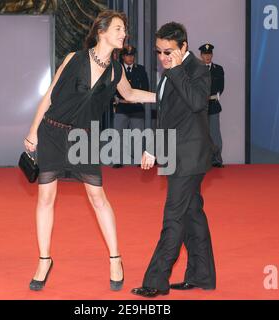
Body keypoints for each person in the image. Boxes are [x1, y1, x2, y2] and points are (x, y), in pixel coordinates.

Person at [24, 10, 155, 292]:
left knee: (98, 197)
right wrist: (33, 130)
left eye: (124, 30)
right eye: (119, 29)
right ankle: (44, 260)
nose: (124, 34)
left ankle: (115, 258)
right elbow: (49, 94)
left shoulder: (116, 70)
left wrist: (164, 95)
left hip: (84, 140)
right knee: (46, 197)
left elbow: (130, 95)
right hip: (53, 132)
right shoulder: (74, 59)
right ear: (102, 31)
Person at [132, 22, 216, 298]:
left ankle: (156, 281)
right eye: (158, 52)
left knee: (174, 217)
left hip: (190, 156)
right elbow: (168, 115)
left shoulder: (197, 69)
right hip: (176, 153)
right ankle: (202, 275)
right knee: (192, 216)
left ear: (184, 47)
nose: (162, 57)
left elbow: (196, 103)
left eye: (168, 51)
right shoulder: (170, 72)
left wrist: (176, 69)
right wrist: (154, 148)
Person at [112, 45, 149, 168]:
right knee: (118, 134)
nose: (130, 58)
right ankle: (117, 160)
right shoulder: (118, 70)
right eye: (128, 55)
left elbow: (145, 88)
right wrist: (115, 98)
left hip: (136, 107)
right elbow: (112, 87)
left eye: (132, 55)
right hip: (121, 107)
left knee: (138, 134)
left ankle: (139, 159)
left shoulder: (141, 70)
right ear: (123, 57)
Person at [199, 43, 225, 168]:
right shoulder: (196, 69)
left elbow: (221, 87)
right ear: (201, 55)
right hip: (200, 106)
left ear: (212, 55)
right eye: (205, 54)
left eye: (209, 54)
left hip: (213, 105)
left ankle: (216, 159)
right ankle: (202, 161)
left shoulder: (218, 69)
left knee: (215, 134)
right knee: (200, 134)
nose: (207, 56)